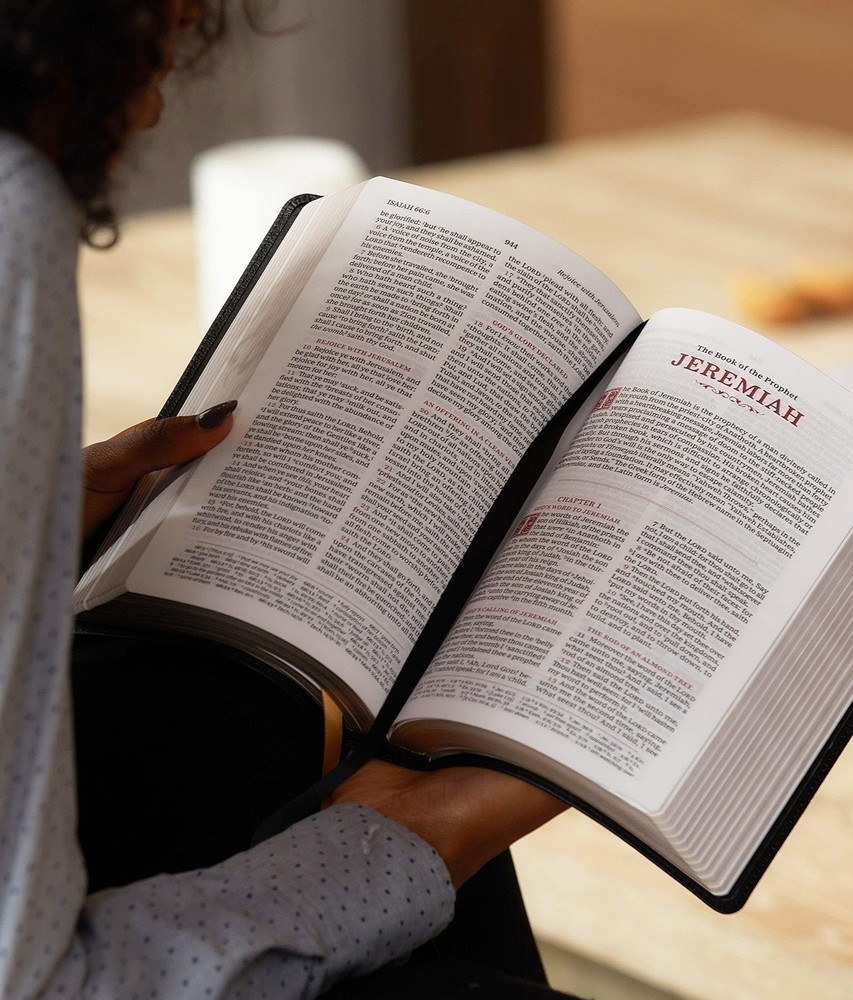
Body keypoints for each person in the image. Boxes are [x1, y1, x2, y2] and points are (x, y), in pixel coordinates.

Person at [0, 1, 569, 997]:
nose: (145, 108)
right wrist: (408, 849)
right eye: (155, 39)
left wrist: (33, 525)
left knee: (232, 705)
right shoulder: (13, 207)